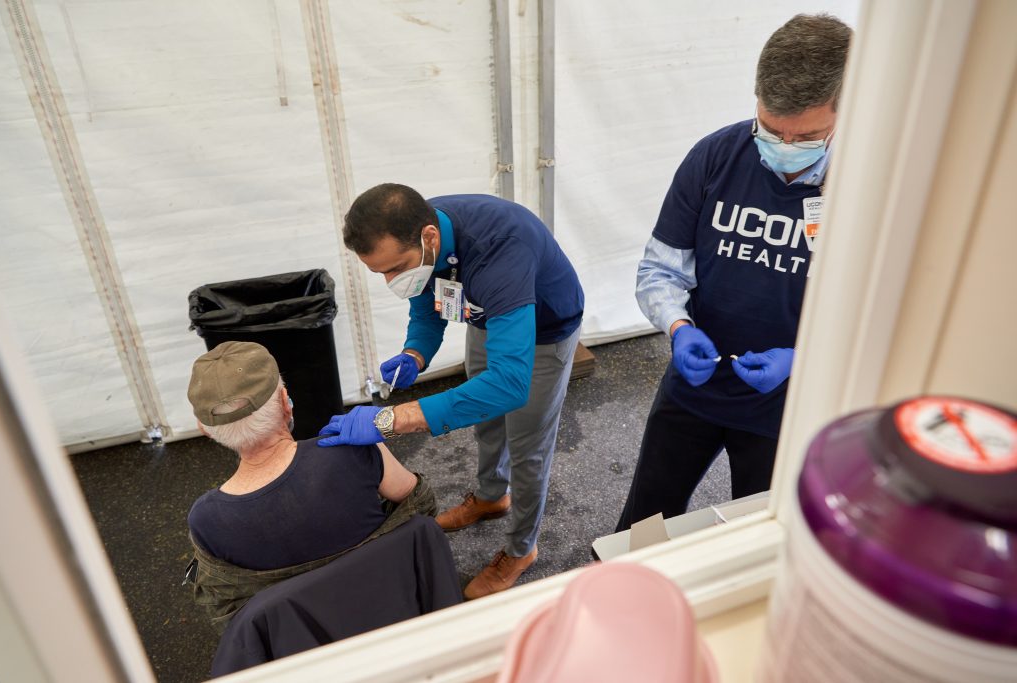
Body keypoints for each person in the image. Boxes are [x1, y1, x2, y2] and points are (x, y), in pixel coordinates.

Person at [616, 14, 853, 531]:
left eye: (807, 136)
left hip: (789, 410)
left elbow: (881, 313)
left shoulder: (872, 185)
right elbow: (660, 269)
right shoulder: (714, 157)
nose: (785, 148)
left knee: (762, 536)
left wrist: (802, 358)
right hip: (694, 388)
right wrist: (678, 328)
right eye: (770, 129)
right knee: (642, 527)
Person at [318, 184, 584, 599]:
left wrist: (392, 419)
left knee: (529, 447)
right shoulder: (422, 236)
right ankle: (491, 497)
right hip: (486, 319)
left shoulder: (500, 250)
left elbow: (510, 385)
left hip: (544, 333)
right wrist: (415, 353)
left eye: (396, 268)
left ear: (428, 238)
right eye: (380, 273)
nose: (391, 280)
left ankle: (521, 550)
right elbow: (429, 306)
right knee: (486, 420)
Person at [183, 341, 436, 632]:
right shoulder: (352, 450)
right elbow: (421, 508)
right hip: (395, 614)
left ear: (205, 430)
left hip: (300, 644)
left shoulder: (206, 519)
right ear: (284, 401)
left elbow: (227, 608)